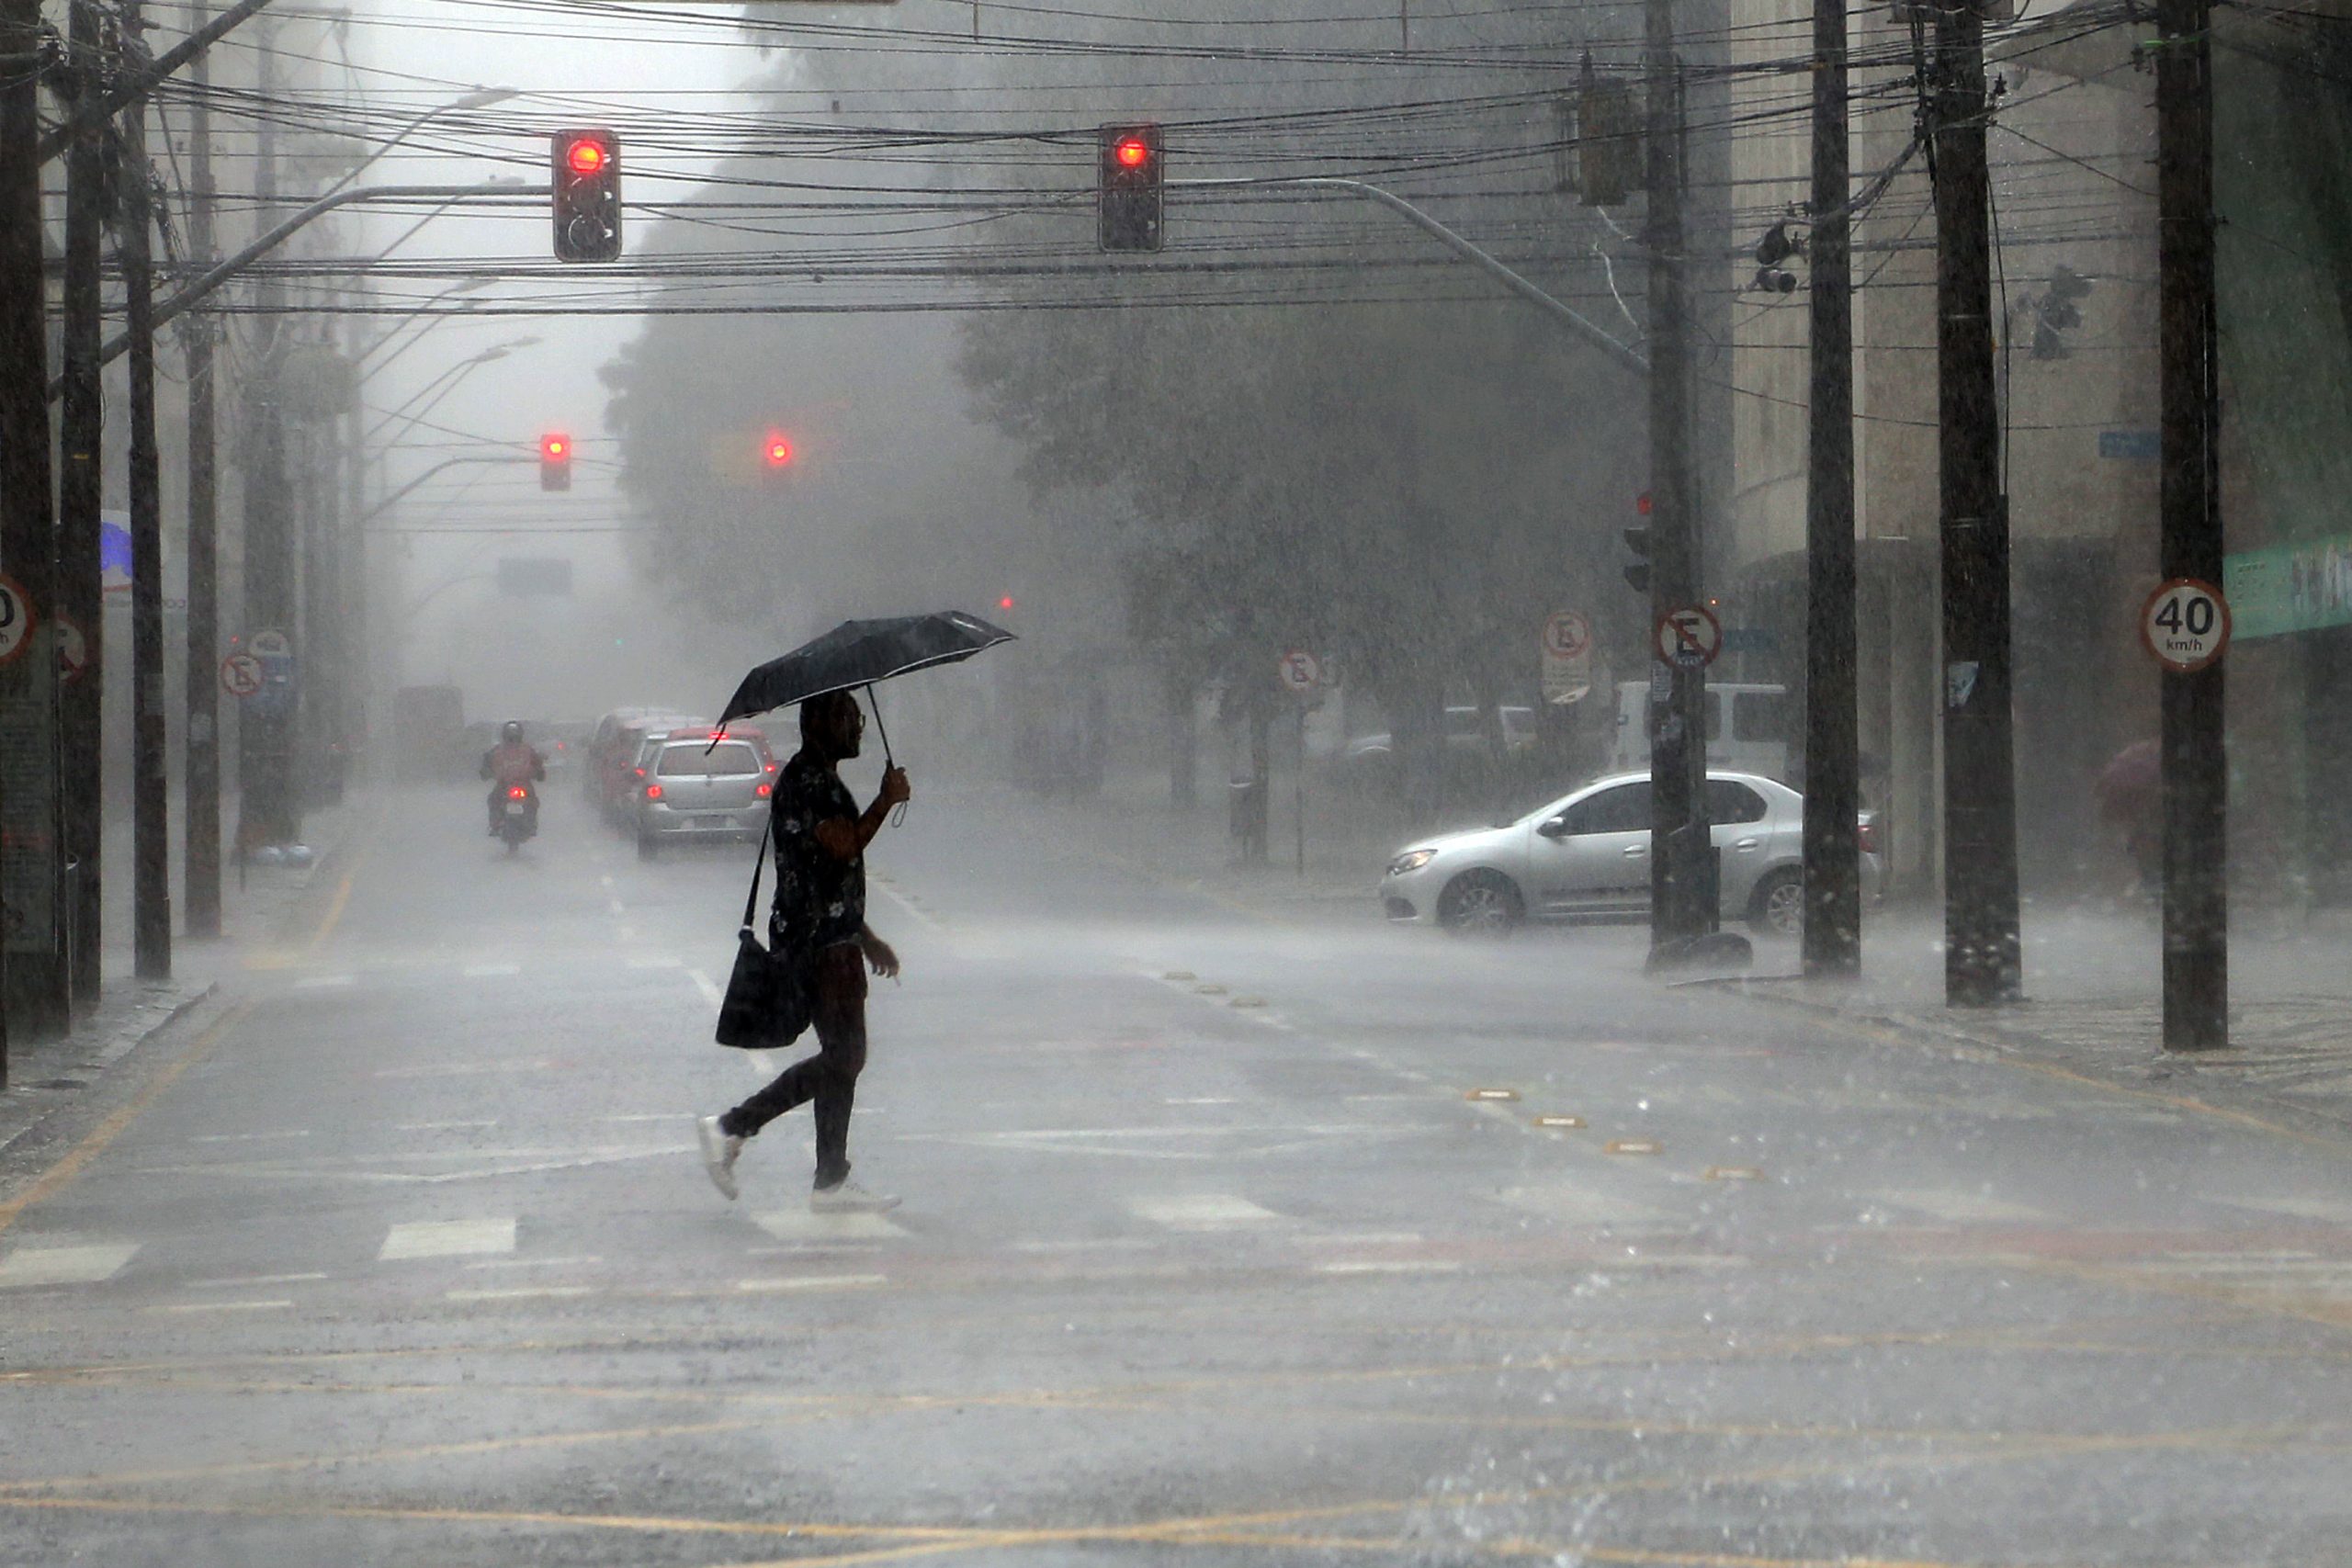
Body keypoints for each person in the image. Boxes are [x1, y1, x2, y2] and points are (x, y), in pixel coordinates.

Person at [698, 690, 911, 1212]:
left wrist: (865, 936)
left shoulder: (819, 777)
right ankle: (732, 1126)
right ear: (817, 723)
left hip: (830, 938)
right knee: (846, 1056)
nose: (858, 727)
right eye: (848, 718)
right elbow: (843, 846)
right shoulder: (808, 782)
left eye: (859, 718)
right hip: (817, 946)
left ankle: (831, 1181)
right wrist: (886, 800)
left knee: (845, 1057)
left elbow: (826, 875)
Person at [480, 720, 546, 836]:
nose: (512, 739)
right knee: (494, 800)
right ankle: (496, 823)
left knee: (532, 801)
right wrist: (486, 771)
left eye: (514, 736)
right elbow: (488, 761)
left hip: (523, 784)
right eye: (510, 736)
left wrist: (539, 772)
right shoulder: (498, 750)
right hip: (504, 784)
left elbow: (537, 762)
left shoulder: (527, 750)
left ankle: (530, 823)